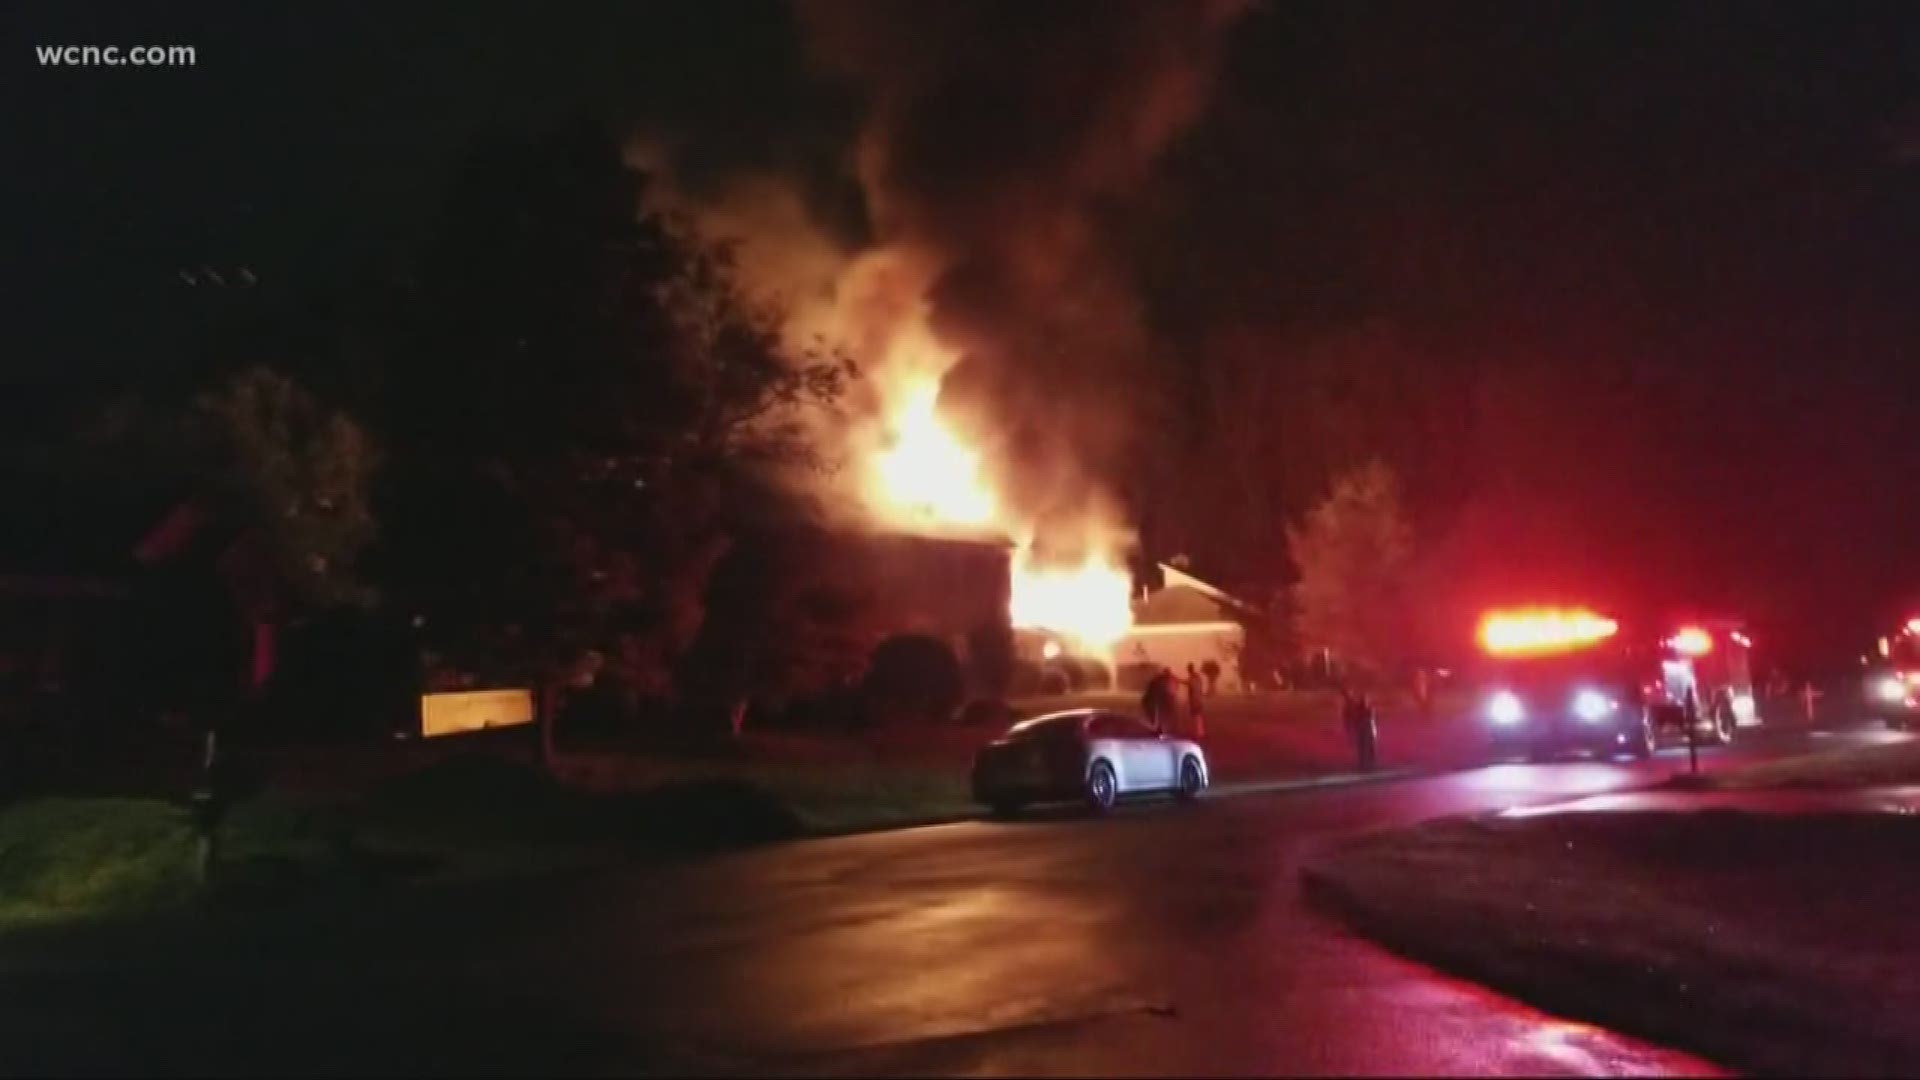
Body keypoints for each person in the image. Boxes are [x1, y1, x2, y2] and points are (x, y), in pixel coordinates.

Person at [1340, 685, 1378, 771]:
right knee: (1365, 749)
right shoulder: (1358, 708)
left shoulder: (1361, 709)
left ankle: (1367, 764)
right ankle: (1367, 765)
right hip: (1364, 731)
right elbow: (1352, 719)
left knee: (1366, 749)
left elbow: (1354, 719)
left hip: (1365, 730)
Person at [1141, 667, 1177, 733]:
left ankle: (1160, 727)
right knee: (1163, 714)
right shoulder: (1170, 679)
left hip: (1159, 699)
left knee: (1160, 714)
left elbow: (1152, 689)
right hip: (1161, 699)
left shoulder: (1159, 679)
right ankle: (1161, 727)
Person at [1184, 662, 1207, 739]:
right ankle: (1199, 732)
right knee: (1197, 716)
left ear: (1189, 669)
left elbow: (1189, 684)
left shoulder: (1193, 677)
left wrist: (1176, 679)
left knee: (1196, 716)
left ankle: (1199, 732)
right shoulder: (1196, 677)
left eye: (1188, 669)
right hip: (1197, 698)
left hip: (1195, 699)